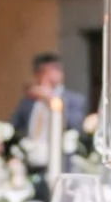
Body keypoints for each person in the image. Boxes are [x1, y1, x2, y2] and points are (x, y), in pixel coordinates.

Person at [10, 53, 86, 190]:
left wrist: (51, 98)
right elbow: (14, 127)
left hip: (60, 163)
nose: (50, 76)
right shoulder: (28, 102)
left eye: (55, 70)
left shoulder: (73, 100)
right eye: (44, 72)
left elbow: (75, 125)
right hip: (31, 164)